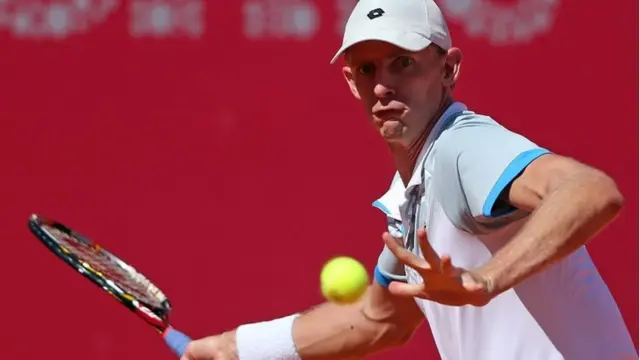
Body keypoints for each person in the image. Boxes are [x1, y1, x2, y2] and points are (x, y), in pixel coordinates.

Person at [181, 0, 637, 359]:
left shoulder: (462, 148)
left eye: (402, 62)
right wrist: (234, 349)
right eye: (367, 69)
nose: (382, 85)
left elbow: (591, 190)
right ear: (350, 82)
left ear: (449, 69)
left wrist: (485, 279)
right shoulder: (412, 200)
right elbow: (379, 320)